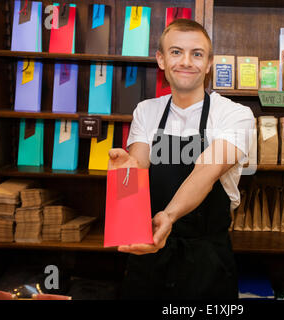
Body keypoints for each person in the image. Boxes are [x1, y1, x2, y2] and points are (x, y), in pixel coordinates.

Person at [108, 19, 254, 300]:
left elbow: (206, 172)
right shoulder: (146, 111)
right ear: (161, 59)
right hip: (149, 250)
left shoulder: (234, 115)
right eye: (176, 52)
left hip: (207, 261)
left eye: (197, 54)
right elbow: (137, 166)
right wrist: (124, 172)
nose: (186, 61)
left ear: (209, 63)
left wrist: (169, 216)